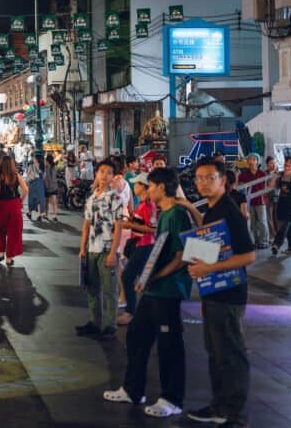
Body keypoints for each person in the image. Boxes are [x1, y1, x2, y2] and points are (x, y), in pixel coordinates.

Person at [104, 166, 191, 419]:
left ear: (162, 187)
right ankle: (133, 389)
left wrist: (154, 276)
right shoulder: (165, 214)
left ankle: (172, 398)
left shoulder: (175, 215)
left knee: (169, 345)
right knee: (137, 335)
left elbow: (181, 255)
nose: (148, 190)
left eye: (151, 186)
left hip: (169, 290)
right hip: (154, 289)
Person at [185, 157, 256, 428]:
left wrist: (210, 267)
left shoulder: (229, 210)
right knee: (215, 351)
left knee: (231, 353)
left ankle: (235, 415)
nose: (203, 182)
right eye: (199, 178)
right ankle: (220, 406)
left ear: (223, 181)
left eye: (209, 178)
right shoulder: (213, 209)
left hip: (230, 294)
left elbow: (249, 255)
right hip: (213, 292)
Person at [77, 159, 127, 339]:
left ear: (113, 177)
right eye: (102, 172)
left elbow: (119, 226)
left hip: (107, 249)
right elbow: (86, 224)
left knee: (109, 290)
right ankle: (94, 322)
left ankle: (109, 326)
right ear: (96, 174)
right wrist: (82, 247)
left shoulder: (115, 198)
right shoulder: (91, 198)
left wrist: (114, 252)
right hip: (92, 248)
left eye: (109, 173)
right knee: (92, 288)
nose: (105, 176)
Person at [113, 172, 156, 326]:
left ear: (144, 187)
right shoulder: (142, 204)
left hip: (145, 245)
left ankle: (131, 312)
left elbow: (152, 229)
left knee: (128, 277)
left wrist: (130, 225)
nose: (134, 187)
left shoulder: (149, 205)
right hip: (139, 245)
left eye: (137, 184)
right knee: (143, 280)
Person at [0, 154, 28, 267]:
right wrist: (21, 200)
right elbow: (26, 189)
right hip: (14, 205)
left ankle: (0, 253)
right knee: (14, 232)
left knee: (0, 230)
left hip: (1, 205)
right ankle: (9, 258)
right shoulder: (16, 175)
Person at [238, 153, 271, 249]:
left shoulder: (262, 174)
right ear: (247, 162)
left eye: (254, 159)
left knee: (262, 222)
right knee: (251, 223)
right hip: (248, 203)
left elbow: (268, 185)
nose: (251, 161)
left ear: (257, 161)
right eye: (250, 159)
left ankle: (264, 241)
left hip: (261, 201)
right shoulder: (243, 175)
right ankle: (254, 241)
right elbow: (239, 186)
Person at [25, 154, 45, 221]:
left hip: (33, 184)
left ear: (36, 159)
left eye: (34, 158)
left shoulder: (31, 166)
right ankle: (39, 215)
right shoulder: (42, 166)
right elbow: (44, 177)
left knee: (32, 198)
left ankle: (30, 213)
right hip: (40, 184)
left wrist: (26, 182)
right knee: (39, 199)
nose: (33, 159)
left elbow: (28, 175)